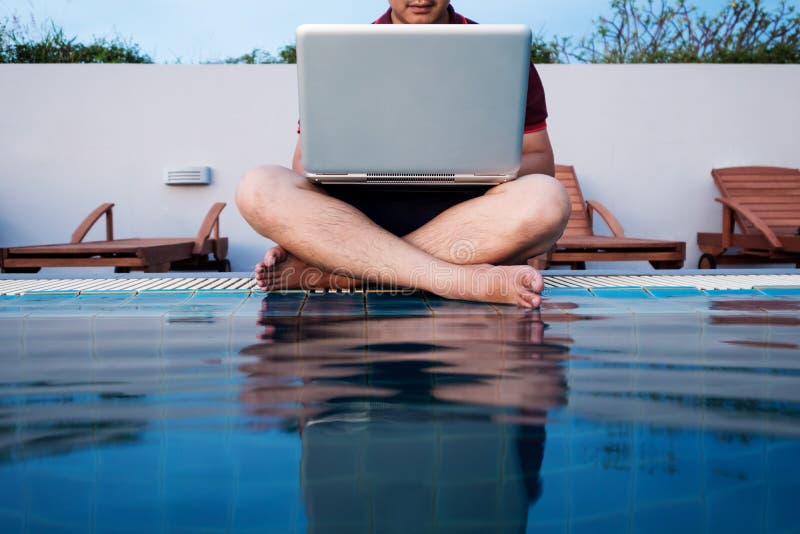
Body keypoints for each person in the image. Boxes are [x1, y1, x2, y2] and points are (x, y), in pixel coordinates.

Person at [236, 0, 570, 309]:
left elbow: (540, 159)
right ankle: (456, 280)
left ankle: (340, 273)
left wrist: (468, 162)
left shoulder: (502, 52)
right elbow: (304, 163)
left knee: (548, 200)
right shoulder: (343, 53)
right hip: (354, 219)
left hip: (468, 218)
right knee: (258, 187)